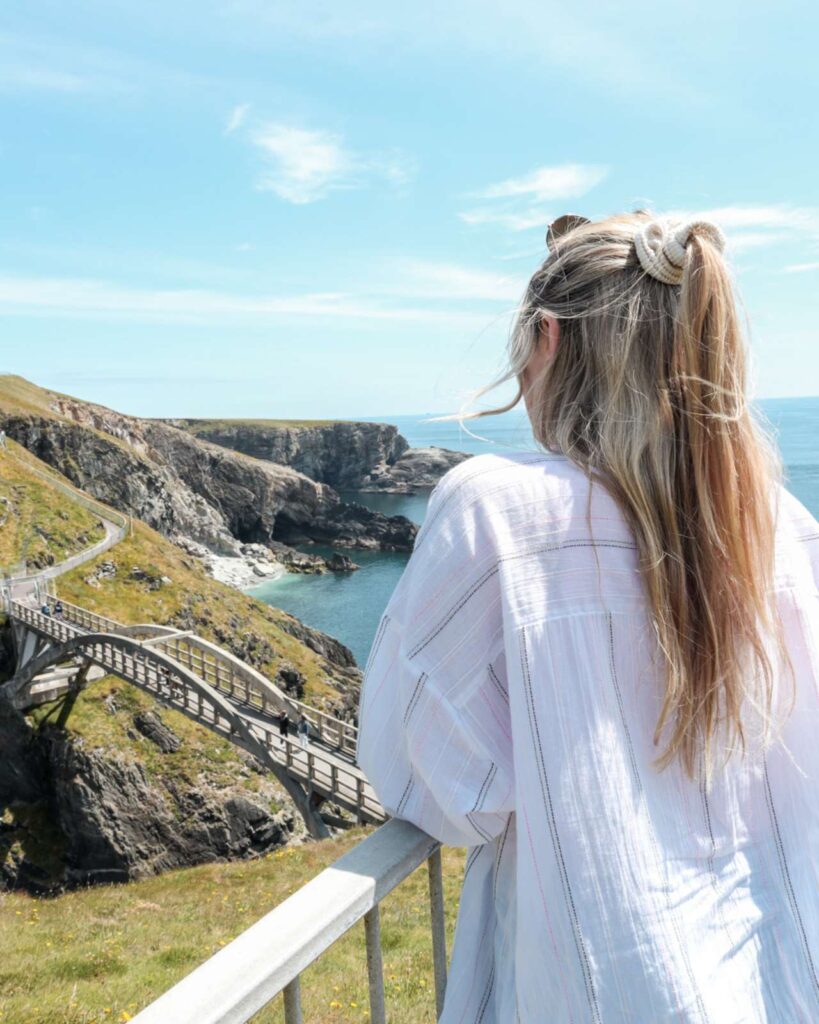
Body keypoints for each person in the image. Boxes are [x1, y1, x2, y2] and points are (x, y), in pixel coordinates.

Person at [356, 210, 819, 1023]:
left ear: (549, 339)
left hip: (601, 987)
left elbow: (433, 785)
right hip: (785, 977)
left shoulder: (493, 512)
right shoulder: (778, 522)